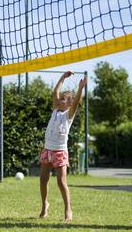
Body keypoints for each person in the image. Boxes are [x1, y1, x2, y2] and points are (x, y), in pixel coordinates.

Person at [38, 71, 87, 222]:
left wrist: (80, 88)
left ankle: (68, 210)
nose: (60, 100)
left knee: (61, 181)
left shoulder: (68, 115)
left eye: (64, 99)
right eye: (60, 99)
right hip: (47, 149)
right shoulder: (55, 110)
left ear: (71, 104)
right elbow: (55, 92)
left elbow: (78, 99)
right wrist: (63, 77)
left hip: (60, 151)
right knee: (43, 179)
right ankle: (45, 204)